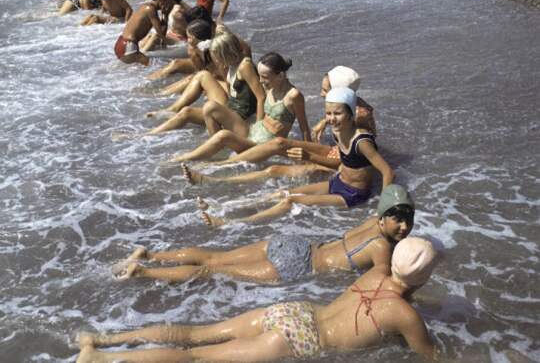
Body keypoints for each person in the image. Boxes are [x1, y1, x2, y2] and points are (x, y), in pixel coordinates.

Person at [76, 237, 440, 362]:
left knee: (194, 335)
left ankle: (104, 340)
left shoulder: (374, 272)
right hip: (302, 340)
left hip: (295, 310)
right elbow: (433, 359)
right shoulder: (405, 315)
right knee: (195, 358)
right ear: (426, 277)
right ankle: (100, 359)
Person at [111, 184, 414, 284]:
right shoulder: (382, 248)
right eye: (398, 220)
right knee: (210, 272)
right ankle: (144, 271)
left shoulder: (371, 222)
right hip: (297, 265)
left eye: (408, 221)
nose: (403, 227)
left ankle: (149, 254)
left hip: (293, 243)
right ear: (384, 219)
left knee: (215, 258)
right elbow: (383, 285)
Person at [197, 86, 394, 226]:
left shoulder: (362, 141)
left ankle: (228, 222)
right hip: (338, 182)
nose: (332, 119)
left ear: (351, 114)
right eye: (328, 113)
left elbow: (387, 172)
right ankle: (221, 207)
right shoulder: (338, 132)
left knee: (291, 201)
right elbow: (347, 163)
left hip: (352, 194)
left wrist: (382, 209)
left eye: (338, 114)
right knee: (284, 193)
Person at [170, 52, 310, 163]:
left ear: (280, 76)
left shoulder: (294, 96)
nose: (260, 81)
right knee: (211, 107)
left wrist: (309, 157)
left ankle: (186, 159)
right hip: (253, 131)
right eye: (259, 76)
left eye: (264, 77)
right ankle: (213, 152)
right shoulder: (270, 88)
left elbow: (304, 128)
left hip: (263, 146)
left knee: (223, 135)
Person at [142, 29, 264, 137]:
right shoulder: (231, 65)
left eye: (216, 56)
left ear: (226, 53)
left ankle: (147, 135)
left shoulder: (245, 66)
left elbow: (261, 97)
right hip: (231, 109)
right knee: (191, 102)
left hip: (240, 117)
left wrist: (259, 127)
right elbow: (233, 92)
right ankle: (151, 132)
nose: (215, 60)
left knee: (195, 110)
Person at [113, 0, 175, 66]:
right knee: (156, 67)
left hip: (122, 44)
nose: (169, 6)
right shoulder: (151, 10)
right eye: (168, 2)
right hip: (128, 46)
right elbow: (161, 34)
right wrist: (165, 15)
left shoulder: (145, 6)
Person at [312, 65, 376, 139]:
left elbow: (361, 145)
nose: (321, 94)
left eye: (325, 90)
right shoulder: (350, 103)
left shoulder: (359, 116)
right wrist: (324, 121)